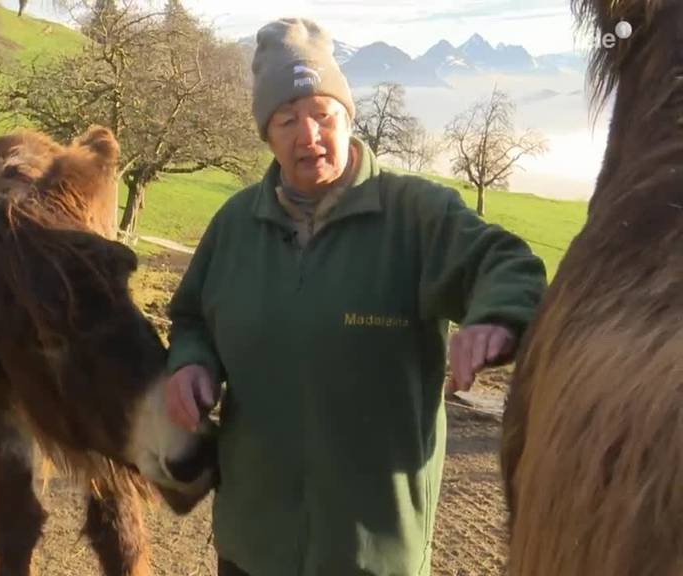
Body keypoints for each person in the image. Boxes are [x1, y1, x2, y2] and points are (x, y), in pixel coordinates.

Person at [163, 17, 547, 576]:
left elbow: (505, 261)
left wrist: (496, 318)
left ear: (348, 117)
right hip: (253, 542)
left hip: (373, 549)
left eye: (323, 114)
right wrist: (191, 362)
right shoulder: (235, 226)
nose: (308, 135)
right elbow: (192, 315)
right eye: (287, 119)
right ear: (266, 134)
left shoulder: (414, 215)